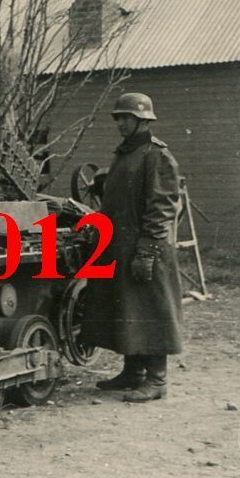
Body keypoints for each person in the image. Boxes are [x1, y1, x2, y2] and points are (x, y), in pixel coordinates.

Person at [81, 92, 184, 403]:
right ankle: (133, 372)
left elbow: (162, 208)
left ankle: (157, 380)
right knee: (129, 309)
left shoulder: (157, 156)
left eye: (126, 118)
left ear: (143, 120)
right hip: (121, 246)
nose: (121, 124)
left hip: (146, 247)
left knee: (151, 310)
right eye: (119, 118)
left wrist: (147, 251)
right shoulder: (124, 154)